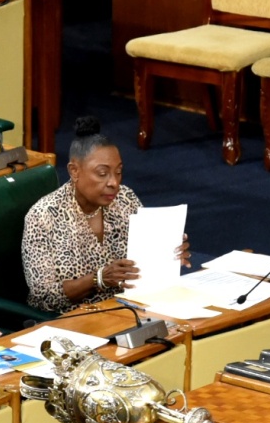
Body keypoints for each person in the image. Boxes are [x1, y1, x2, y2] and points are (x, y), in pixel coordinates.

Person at [22, 117, 189, 313]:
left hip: (130, 307)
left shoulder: (125, 198)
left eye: (118, 172)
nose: (114, 183)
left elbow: (144, 261)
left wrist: (169, 253)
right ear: (74, 171)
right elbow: (43, 297)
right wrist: (98, 279)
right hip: (75, 318)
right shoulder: (43, 216)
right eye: (102, 174)